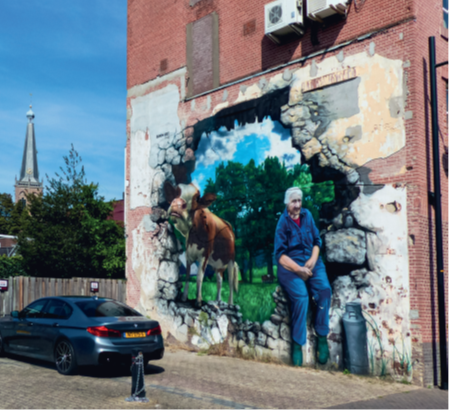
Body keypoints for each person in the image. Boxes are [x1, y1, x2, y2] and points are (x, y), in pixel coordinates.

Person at [274, 187, 331, 366]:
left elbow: (316, 241)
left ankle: (322, 337)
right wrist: (298, 269)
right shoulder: (282, 223)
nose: (298, 205)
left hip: (312, 261)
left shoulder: (307, 216)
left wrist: (313, 259)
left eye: (299, 201)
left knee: (324, 291)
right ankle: (298, 345)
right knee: (301, 297)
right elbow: (280, 256)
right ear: (287, 204)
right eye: (294, 202)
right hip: (290, 266)